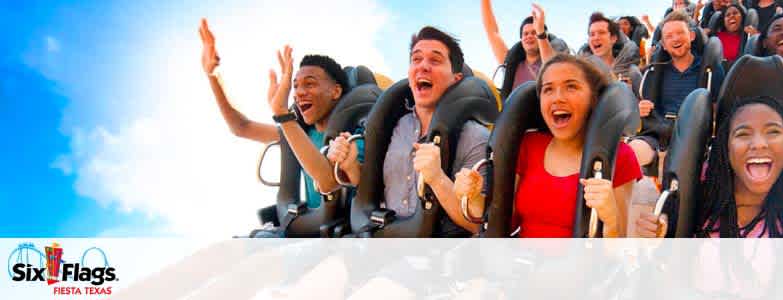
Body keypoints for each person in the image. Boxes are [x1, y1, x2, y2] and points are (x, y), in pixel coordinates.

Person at [453, 53, 643, 238]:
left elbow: (618, 251)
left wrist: (609, 218)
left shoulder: (620, 157)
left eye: (571, 87)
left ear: (594, 99)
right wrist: (472, 196)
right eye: (548, 89)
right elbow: (502, 222)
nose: (557, 98)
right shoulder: (529, 145)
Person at [327, 26, 490, 236]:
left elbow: (477, 224)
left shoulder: (476, 137)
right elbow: (373, 187)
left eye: (435, 60)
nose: (423, 66)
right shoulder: (393, 127)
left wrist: (438, 178)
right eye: (416, 59)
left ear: (456, 79)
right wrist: (350, 166)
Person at [199, 18, 359, 210]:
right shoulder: (299, 133)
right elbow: (241, 127)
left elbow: (328, 182)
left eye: (310, 84)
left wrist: (282, 114)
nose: (299, 93)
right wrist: (213, 75)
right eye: (295, 86)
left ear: (335, 91)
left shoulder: (353, 136)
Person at [634, 96, 783, 238]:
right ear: (725, 147)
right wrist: (659, 229)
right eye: (743, 134)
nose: (758, 144)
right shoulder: (701, 189)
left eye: (773, 132)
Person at [631, 11, 724, 173]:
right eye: (669, 36)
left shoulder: (710, 70)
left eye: (680, 33)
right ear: (664, 45)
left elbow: (719, 109)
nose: (675, 39)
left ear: (692, 36)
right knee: (632, 151)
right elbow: (640, 107)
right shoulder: (654, 72)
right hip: (659, 134)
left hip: (695, 135)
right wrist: (640, 108)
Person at [481, 0, 570, 99]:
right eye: (525, 34)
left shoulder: (553, 59)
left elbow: (552, 68)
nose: (529, 36)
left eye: (534, 32)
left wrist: (540, 32)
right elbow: (492, 32)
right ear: (521, 39)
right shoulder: (512, 62)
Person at [577, 12, 643, 95]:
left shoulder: (630, 71)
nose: (596, 38)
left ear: (613, 38)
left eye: (601, 33)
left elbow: (642, 100)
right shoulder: (582, 73)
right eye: (592, 34)